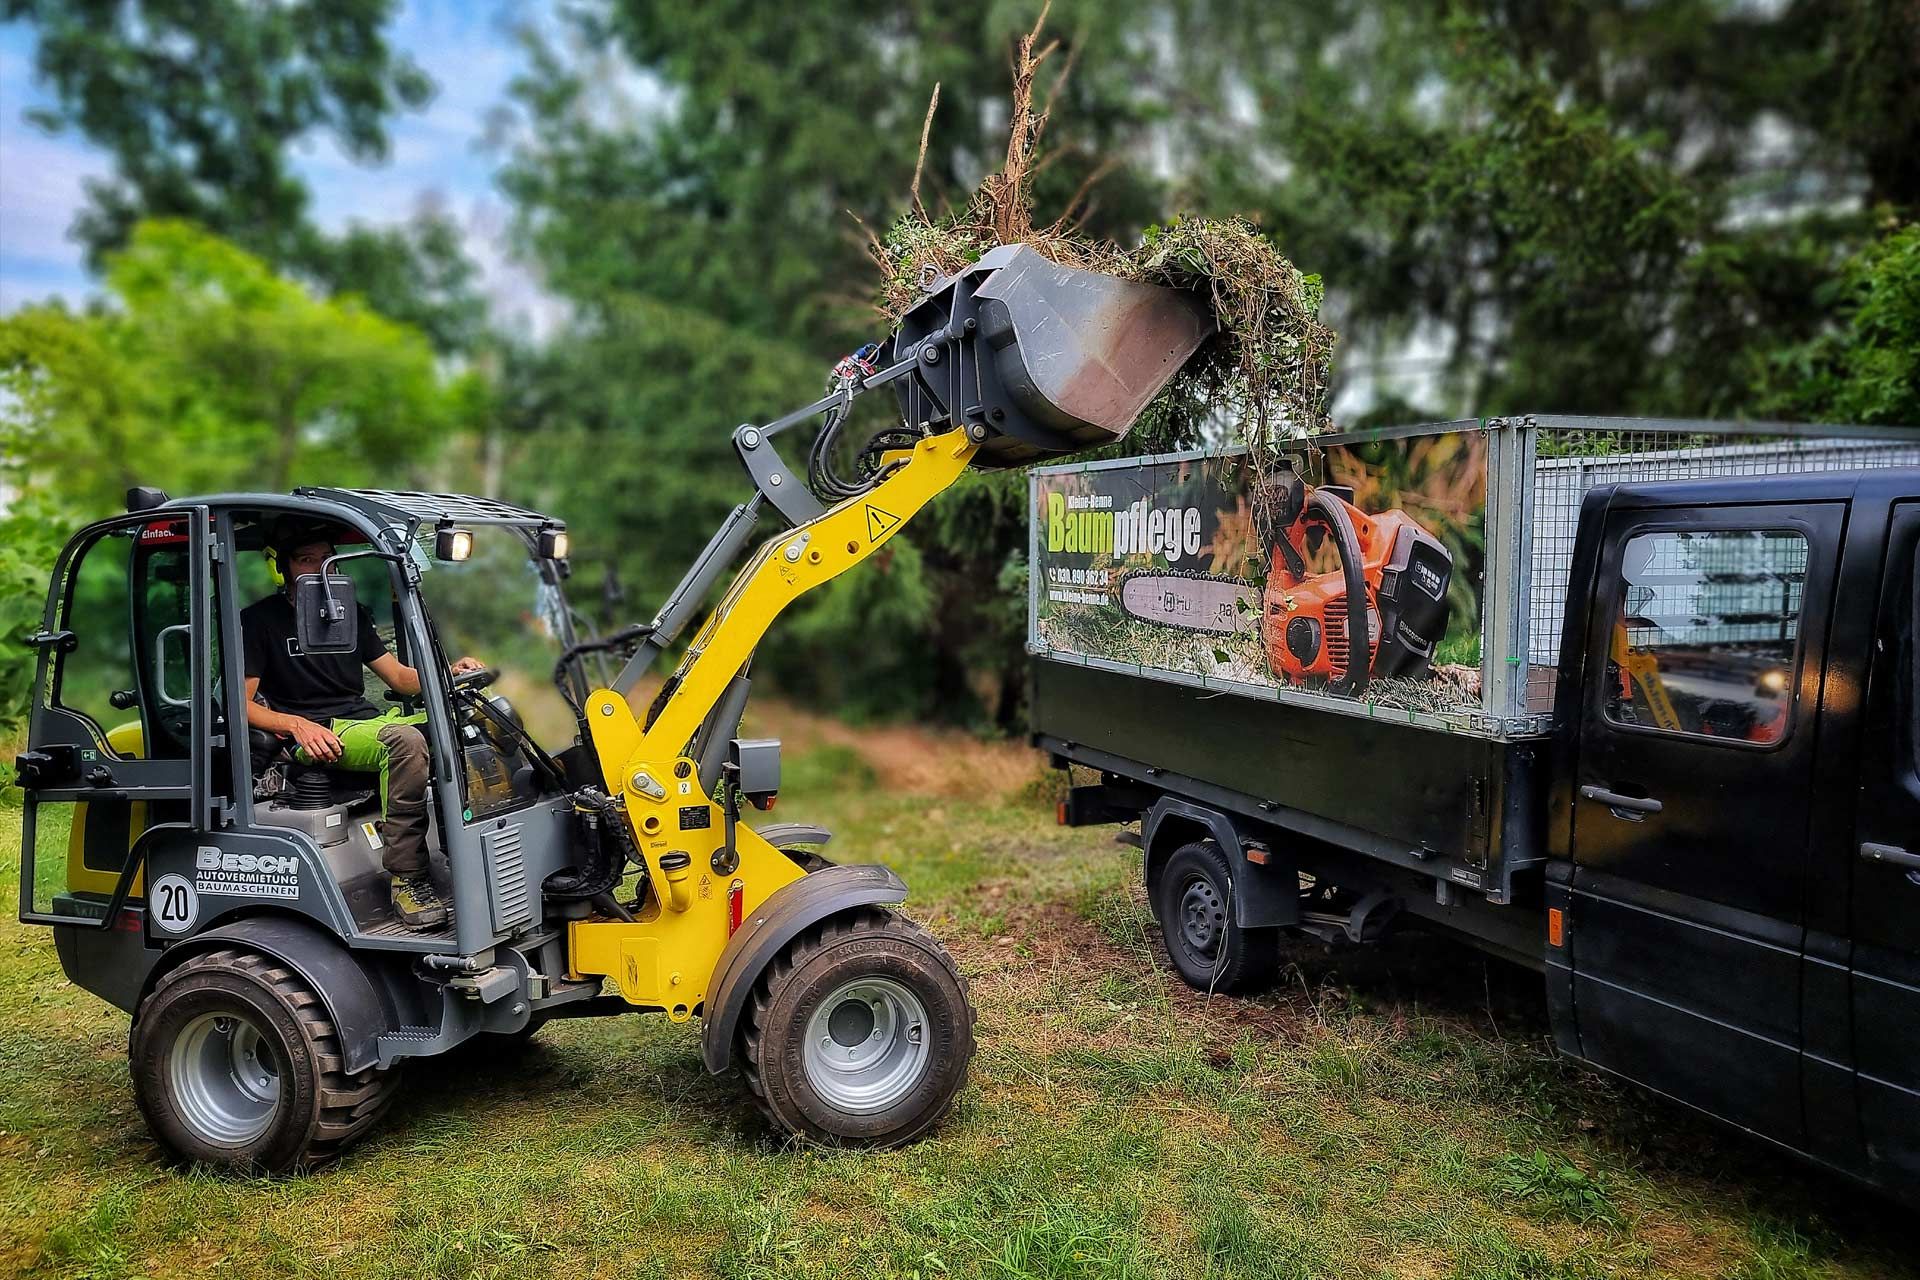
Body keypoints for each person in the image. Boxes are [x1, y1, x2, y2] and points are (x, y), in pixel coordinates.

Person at [242, 521, 482, 929]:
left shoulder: (348, 611)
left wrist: (450, 673)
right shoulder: (259, 620)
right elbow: (240, 704)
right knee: (404, 741)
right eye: (306, 561)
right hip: (319, 731)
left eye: (327, 560)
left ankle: (474, 859)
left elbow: (402, 679)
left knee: (476, 717)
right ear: (281, 568)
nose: (319, 571)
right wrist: (296, 725)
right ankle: (408, 880)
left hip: (366, 720)